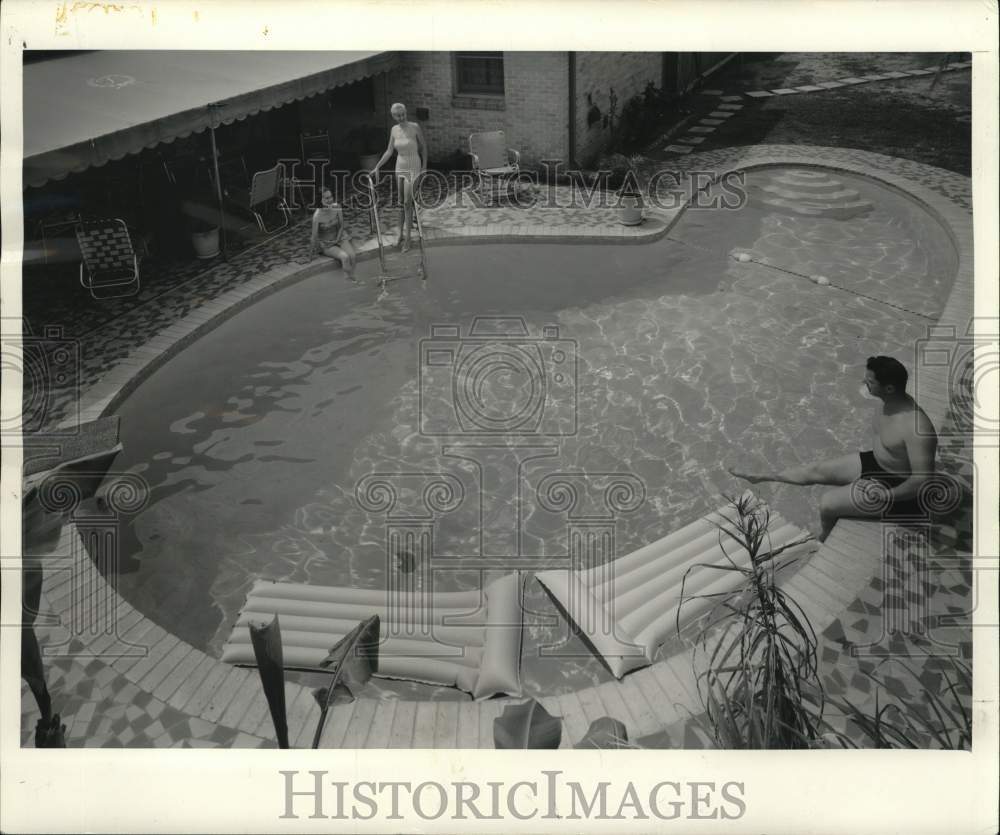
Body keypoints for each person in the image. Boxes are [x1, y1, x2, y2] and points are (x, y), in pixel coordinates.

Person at [728, 356, 937, 542]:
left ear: (889, 388)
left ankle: (824, 540)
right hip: (877, 464)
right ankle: (765, 477)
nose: (864, 383)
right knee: (815, 470)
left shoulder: (917, 428)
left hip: (897, 488)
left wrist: (884, 495)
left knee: (827, 504)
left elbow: (922, 481)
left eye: (870, 381)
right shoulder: (886, 402)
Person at [371, 102, 427, 252]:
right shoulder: (394, 130)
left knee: (408, 202)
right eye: (398, 115)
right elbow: (389, 151)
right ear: (393, 116)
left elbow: (424, 148)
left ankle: (408, 239)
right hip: (400, 167)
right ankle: (400, 234)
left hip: (414, 166)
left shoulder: (415, 127)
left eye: (403, 114)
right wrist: (377, 166)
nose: (401, 117)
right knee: (401, 202)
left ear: (406, 113)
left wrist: (424, 167)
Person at [310, 188, 357, 280]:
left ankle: (352, 276)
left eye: (331, 197)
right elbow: (314, 236)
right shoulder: (317, 216)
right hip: (327, 243)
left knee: (353, 256)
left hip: (340, 237)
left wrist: (337, 238)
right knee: (345, 257)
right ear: (321, 200)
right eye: (326, 198)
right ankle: (350, 281)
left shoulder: (337, 207)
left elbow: (341, 225)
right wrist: (311, 253)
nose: (330, 200)